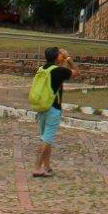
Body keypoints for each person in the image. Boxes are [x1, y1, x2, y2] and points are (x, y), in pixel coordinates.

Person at [32, 46, 77, 177]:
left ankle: (46, 167)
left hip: (42, 106)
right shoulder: (59, 71)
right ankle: (37, 167)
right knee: (46, 140)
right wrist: (68, 58)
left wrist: (61, 61)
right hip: (53, 109)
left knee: (46, 138)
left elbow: (60, 75)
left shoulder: (42, 69)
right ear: (58, 57)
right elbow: (76, 72)